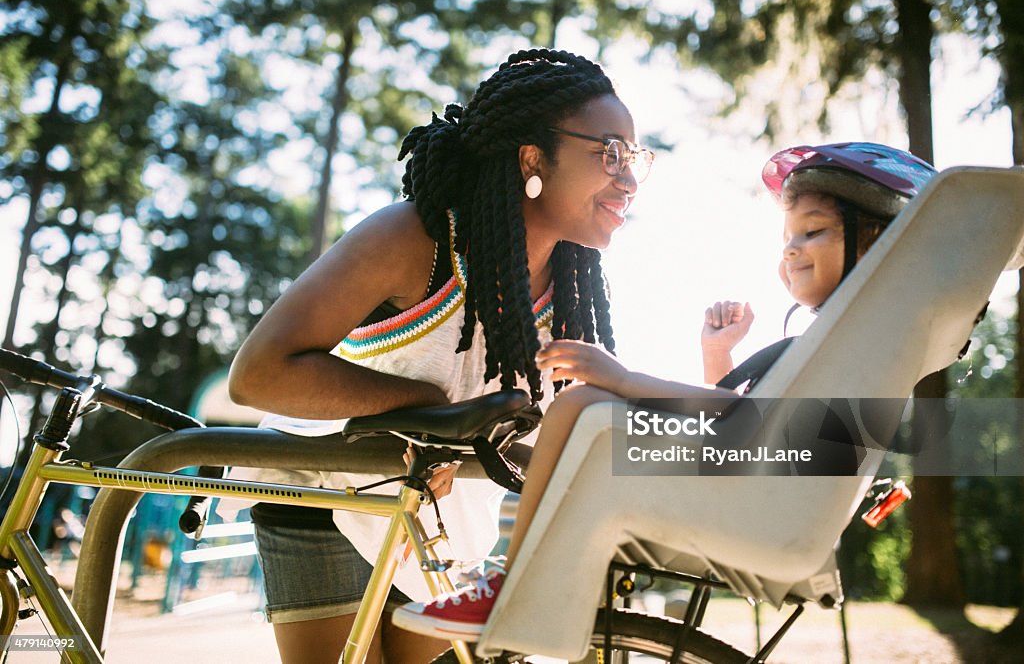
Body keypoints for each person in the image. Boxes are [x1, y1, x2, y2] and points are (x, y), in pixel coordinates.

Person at [390, 141, 938, 640]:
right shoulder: (853, 337)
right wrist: (718, 355)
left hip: (765, 508)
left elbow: (758, 420)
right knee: (586, 414)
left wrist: (624, 379)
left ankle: (519, 586)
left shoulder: (854, 340)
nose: (792, 251)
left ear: (877, 243)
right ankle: (534, 584)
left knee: (582, 405)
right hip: (761, 499)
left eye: (813, 231)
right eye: (788, 238)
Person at [224, 48, 655, 664]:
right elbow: (259, 373)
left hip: (441, 520)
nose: (629, 177)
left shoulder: (574, 292)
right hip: (329, 488)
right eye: (608, 152)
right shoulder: (413, 240)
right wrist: (418, 408)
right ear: (532, 157)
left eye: (634, 157)